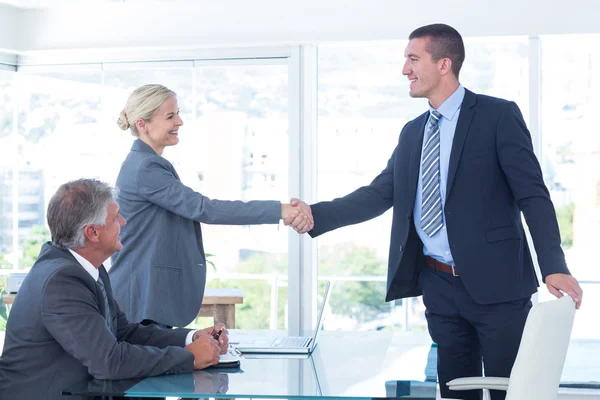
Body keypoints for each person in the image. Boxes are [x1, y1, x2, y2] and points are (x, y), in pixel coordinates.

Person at [285, 24, 583, 400]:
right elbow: (379, 193)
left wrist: (553, 263)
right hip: (439, 288)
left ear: (444, 64)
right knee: (456, 391)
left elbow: (533, 195)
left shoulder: (497, 116)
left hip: (500, 288)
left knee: (512, 392)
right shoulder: (413, 133)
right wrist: (316, 214)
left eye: (413, 59)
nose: (404, 69)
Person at [0, 179, 230, 400]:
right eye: (114, 218)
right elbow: (108, 361)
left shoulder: (86, 269)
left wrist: (191, 337)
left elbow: (123, 332)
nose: (123, 222)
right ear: (93, 233)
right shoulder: (62, 281)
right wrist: (190, 357)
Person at [109, 84, 312, 329]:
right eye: (170, 116)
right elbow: (206, 209)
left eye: (178, 113)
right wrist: (280, 210)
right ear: (142, 124)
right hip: (140, 299)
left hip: (145, 296)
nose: (180, 122)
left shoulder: (145, 163)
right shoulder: (145, 167)